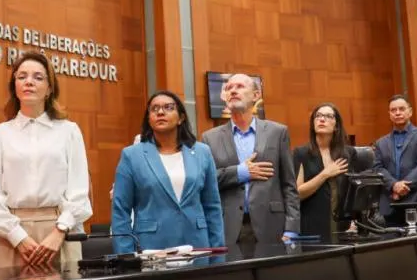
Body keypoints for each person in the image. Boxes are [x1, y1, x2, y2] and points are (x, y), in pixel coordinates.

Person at [0, 51, 92, 270]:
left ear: (50, 88)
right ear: (14, 86)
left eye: (38, 77)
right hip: (11, 234)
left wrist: (59, 232)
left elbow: (79, 190)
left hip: (60, 232)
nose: (28, 82)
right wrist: (18, 237)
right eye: (22, 77)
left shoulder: (69, 131)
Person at [111, 91, 224, 253]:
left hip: (198, 245)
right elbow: (120, 210)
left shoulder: (202, 152)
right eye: (154, 109)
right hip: (152, 247)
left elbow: (212, 206)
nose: (160, 112)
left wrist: (218, 252)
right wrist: (126, 256)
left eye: (168, 108)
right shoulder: (132, 155)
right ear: (149, 119)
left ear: (181, 118)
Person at [201, 73, 300, 257]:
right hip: (228, 227)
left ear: (256, 95)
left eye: (239, 86)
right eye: (229, 88)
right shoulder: (210, 138)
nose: (233, 91)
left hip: (271, 225)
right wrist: (240, 172)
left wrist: (292, 229)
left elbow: (289, 185)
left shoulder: (277, 132)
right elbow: (206, 181)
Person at [293, 103, 358, 243]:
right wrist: (325, 174)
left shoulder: (348, 154)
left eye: (328, 116)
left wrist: (354, 218)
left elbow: (353, 190)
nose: (322, 119)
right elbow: (298, 193)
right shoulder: (301, 153)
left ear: (336, 126)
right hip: (312, 225)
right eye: (318, 116)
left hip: (343, 227)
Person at [372, 94, 417, 221]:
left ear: (410, 112)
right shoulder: (381, 142)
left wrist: (403, 187)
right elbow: (378, 168)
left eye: (402, 109)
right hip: (391, 202)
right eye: (393, 110)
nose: (397, 113)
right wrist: (394, 185)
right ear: (389, 114)